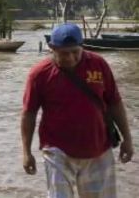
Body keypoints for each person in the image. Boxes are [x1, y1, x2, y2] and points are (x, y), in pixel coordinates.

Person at [21, 23, 133, 197]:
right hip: (57, 151)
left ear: (82, 47)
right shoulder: (39, 75)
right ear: (52, 48)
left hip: (98, 150)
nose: (71, 58)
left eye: (75, 52)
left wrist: (128, 139)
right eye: (64, 53)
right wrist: (26, 152)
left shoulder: (98, 65)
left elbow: (114, 103)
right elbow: (29, 113)